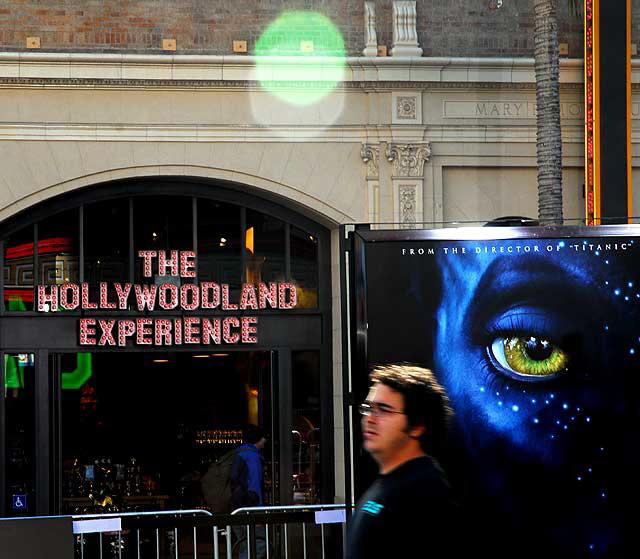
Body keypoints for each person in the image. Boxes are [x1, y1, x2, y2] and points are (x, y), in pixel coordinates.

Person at [347, 364, 457, 559]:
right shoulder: (388, 482)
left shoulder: (425, 491)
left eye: (384, 410)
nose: (369, 419)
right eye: (368, 408)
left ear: (417, 426)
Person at [231, 424, 267, 559]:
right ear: (256, 439)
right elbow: (254, 486)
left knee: (245, 545)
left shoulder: (240, 453)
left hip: (237, 507)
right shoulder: (252, 457)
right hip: (250, 508)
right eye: (262, 437)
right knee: (258, 545)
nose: (265, 440)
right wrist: (258, 512)